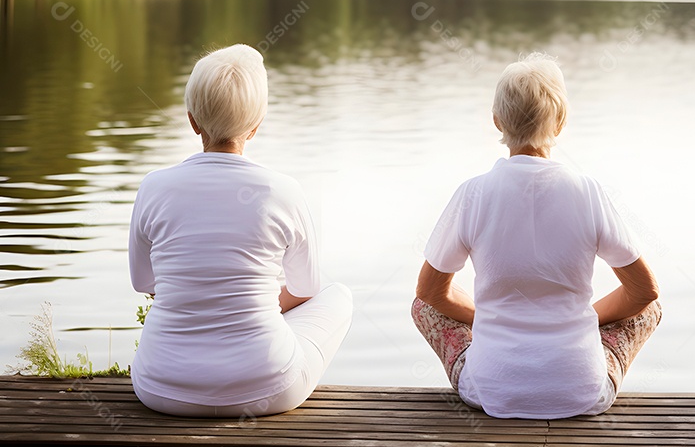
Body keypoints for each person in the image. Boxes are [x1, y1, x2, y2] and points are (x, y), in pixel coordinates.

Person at [412, 52, 661, 419]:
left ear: (496, 121)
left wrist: (490, 317)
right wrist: (577, 318)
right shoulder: (588, 191)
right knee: (648, 310)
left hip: (490, 392)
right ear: (560, 123)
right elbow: (645, 292)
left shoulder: (473, 194)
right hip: (585, 393)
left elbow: (430, 294)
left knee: (423, 307)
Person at [128, 44, 353, 417]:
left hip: (160, 389)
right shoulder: (282, 190)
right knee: (338, 294)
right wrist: (253, 303)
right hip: (268, 390)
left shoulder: (154, 186)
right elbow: (306, 289)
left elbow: (143, 283)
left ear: (192, 120)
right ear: (256, 125)